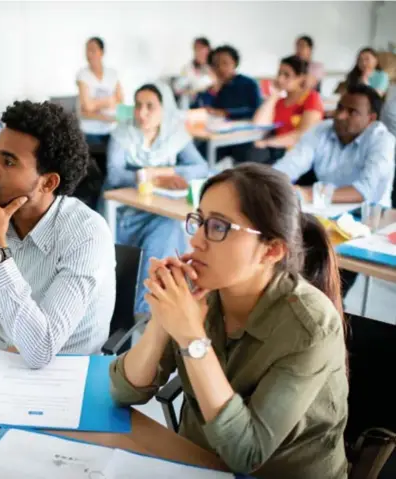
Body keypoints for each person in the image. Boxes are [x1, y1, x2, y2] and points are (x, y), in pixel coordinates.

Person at [109, 163, 349, 478]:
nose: (195, 241)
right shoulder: (203, 290)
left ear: (271, 251)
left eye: (219, 227)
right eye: (199, 221)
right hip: (196, 465)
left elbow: (246, 453)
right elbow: (125, 392)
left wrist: (192, 338)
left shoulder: (311, 326)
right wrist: (162, 318)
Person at [0, 100, 116, 369]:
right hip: (5, 357)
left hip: (64, 373)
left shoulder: (87, 233)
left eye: (9, 162)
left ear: (49, 182)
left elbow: (40, 350)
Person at [274, 84, 395, 297]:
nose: (340, 115)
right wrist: (272, 182)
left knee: (325, 281)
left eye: (352, 112)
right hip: (324, 214)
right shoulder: (321, 130)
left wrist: (311, 193)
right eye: (339, 107)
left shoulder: (382, 140)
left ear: (371, 118)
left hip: (367, 221)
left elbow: (364, 191)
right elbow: (287, 167)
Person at [106, 84, 208, 317]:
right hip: (126, 212)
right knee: (169, 228)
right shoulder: (123, 133)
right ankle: (148, 308)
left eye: (150, 106)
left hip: (160, 208)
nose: (142, 113)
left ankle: (156, 304)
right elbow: (114, 174)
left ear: (164, 109)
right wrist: (147, 174)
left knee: (171, 226)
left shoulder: (174, 134)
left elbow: (202, 167)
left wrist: (166, 173)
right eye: (138, 105)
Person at [252, 55, 324, 163]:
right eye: (279, 74)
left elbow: (304, 134)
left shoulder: (311, 98)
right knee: (250, 153)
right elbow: (259, 126)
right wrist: (274, 96)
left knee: (255, 155)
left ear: (301, 77)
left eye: (287, 75)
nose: (280, 79)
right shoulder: (280, 101)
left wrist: (267, 142)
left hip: (298, 153)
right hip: (278, 149)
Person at [76, 37, 124, 143]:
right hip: (90, 131)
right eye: (87, 51)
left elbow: (120, 101)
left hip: (112, 129)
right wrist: (109, 101)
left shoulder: (112, 74)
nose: (89, 54)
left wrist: (94, 104)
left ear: (101, 52)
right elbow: (87, 106)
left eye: (93, 50)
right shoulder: (82, 75)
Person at [173, 37, 215, 109]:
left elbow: (212, 83)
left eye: (202, 49)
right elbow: (179, 87)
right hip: (190, 103)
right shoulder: (187, 67)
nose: (199, 53)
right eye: (196, 49)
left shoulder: (214, 67)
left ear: (209, 50)